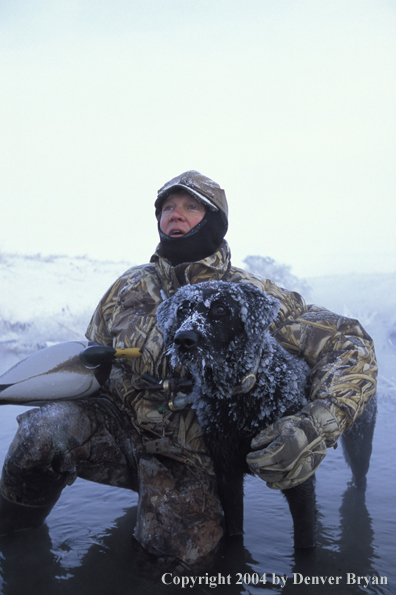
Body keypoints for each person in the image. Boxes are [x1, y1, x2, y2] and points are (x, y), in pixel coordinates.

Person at [0, 171, 378, 564]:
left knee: (176, 563)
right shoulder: (128, 288)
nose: (175, 214)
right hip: (118, 433)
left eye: (190, 206)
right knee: (43, 430)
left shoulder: (251, 295)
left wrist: (317, 422)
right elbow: (89, 360)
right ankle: (10, 538)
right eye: (167, 208)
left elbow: (352, 344)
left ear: (213, 220)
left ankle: (164, 508)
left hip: (192, 459)